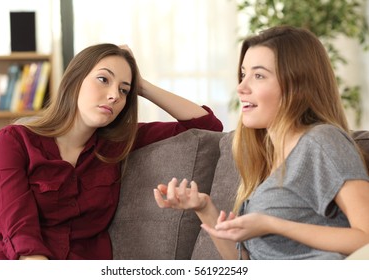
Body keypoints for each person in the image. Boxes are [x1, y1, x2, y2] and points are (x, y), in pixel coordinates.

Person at [0, 43, 223, 260]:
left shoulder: (118, 144)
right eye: (104, 80)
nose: (114, 95)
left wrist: (142, 86)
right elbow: (19, 229)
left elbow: (208, 126)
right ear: (75, 79)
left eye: (124, 90)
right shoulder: (14, 140)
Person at [154, 25, 369, 260]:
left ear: (296, 86)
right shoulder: (269, 157)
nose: (241, 87)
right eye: (243, 74)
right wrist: (204, 208)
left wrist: (272, 224)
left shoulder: (322, 141)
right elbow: (243, 265)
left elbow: (365, 238)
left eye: (258, 75)